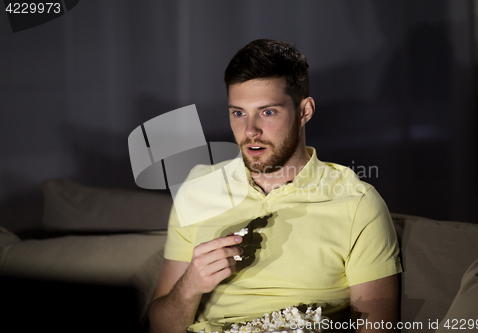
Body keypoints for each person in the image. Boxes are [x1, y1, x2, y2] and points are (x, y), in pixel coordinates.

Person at [148, 39, 402, 333]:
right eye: (238, 113)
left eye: (267, 112)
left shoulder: (357, 203)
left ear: (304, 111)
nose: (250, 130)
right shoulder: (197, 188)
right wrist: (190, 284)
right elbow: (159, 327)